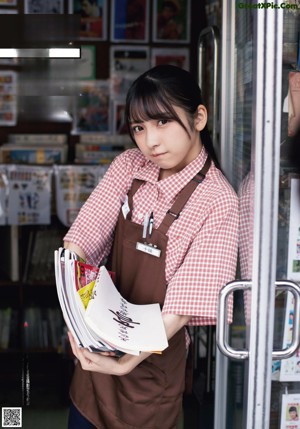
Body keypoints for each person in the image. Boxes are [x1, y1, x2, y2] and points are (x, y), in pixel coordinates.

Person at [64, 64, 239, 429]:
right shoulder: (130, 166)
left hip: (151, 370)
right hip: (96, 356)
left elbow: (183, 305)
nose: (150, 142)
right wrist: (72, 304)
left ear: (199, 117)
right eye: (139, 128)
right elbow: (82, 236)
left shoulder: (218, 201)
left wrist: (127, 362)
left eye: (162, 122)